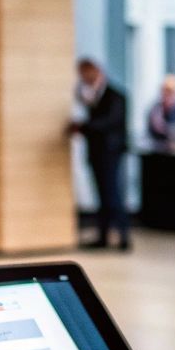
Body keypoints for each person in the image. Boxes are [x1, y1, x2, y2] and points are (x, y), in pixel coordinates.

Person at [70, 58, 130, 250]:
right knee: (102, 195)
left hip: (110, 153)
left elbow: (108, 122)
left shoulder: (116, 96)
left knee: (113, 194)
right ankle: (103, 236)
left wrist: (84, 127)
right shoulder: (92, 95)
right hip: (97, 152)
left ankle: (123, 237)